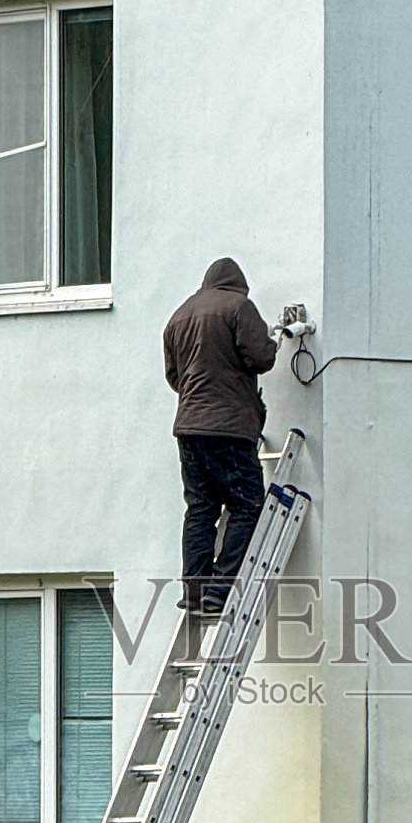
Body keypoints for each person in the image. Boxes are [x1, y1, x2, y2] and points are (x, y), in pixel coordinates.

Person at [163, 257, 279, 615]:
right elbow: (260, 358)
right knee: (247, 504)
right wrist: (273, 341)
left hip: (188, 428)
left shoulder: (179, 315)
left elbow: (174, 377)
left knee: (200, 508)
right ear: (238, 285)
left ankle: (194, 590)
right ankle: (222, 587)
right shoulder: (239, 307)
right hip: (228, 427)